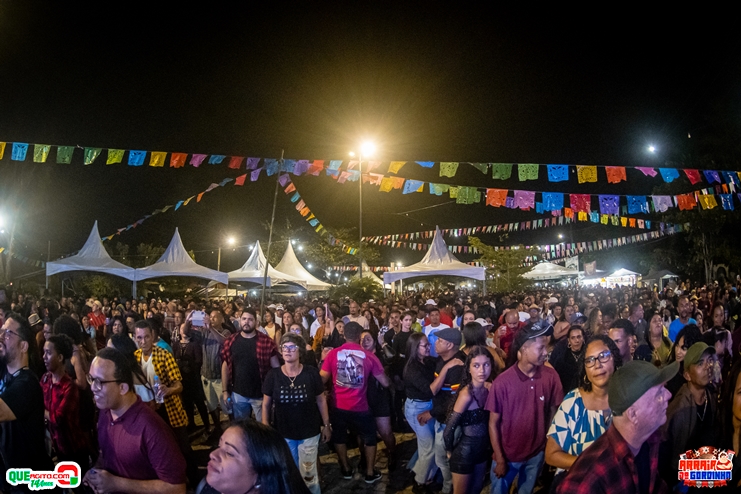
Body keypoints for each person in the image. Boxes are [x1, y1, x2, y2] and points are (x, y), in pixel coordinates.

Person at [556, 359, 678, 493]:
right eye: (659, 394)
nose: (669, 395)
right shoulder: (587, 482)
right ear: (633, 414)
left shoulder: (648, 441)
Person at [83, 348, 186, 494]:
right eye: (91, 379)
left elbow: (177, 488)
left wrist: (116, 484)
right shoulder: (105, 412)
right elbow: (105, 454)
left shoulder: (151, 427)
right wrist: (96, 472)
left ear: (123, 387)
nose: (92, 387)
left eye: (99, 381)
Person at [486, 321, 564, 494]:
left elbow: (553, 412)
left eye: (547, 347)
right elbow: (493, 423)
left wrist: (546, 446)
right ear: (523, 349)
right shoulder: (502, 382)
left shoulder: (550, 376)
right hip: (506, 455)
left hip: (535, 454)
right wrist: (499, 458)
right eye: (541, 348)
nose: (546, 353)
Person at [546, 335, 622, 488]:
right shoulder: (573, 402)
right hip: (577, 484)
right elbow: (551, 454)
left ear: (614, 358)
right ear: (585, 369)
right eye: (590, 360)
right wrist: (593, 467)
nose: (597, 365)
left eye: (603, 356)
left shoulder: (629, 400)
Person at [320, 321, 390, 484]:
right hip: (360, 406)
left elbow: (322, 379)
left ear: (343, 335)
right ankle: (370, 473)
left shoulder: (333, 354)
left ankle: (346, 469)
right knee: (370, 438)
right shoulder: (369, 356)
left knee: (339, 437)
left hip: (338, 406)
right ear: (359, 336)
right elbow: (385, 382)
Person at [262, 333, 330, 494]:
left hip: (309, 432)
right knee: (289, 471)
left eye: (292, 347)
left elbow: (321, 400)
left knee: (308, 473)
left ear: (300, 351)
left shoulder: (311, 373)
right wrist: (265, 427)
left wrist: (327, 425)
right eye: (284, 347)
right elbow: (266, 404)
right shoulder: (274, 375)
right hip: (284, 432)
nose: (287, 350)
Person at [403, 332, 462, 493]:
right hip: (417, 408)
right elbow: (430, 391)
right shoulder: (412, 369)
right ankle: (419, 481)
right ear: (415, 348)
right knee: (428, 448)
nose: (430, 346)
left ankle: (417, 471)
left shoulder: (428, 361)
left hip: (428, 407)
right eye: (425, 345)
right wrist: (448, 367)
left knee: (426, 446)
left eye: (430, 343)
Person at [0, 313, 53, 488]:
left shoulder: (27, 383)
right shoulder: (5, 372)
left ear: (23, 346)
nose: (1, 337)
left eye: (8, 333)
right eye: (1, 331)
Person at [659, 342, 719, 488]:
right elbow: (671, 464)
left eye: (710, 360)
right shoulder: (679, 409)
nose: (708, 367)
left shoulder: (710, 397)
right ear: (687, 375)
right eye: (700, 363)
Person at [200, 420, 311, 494]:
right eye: (219, 445)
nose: (212, 454)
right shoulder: (206, 488)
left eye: (229, 453)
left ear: (259, 479)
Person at [444, 346, 494, 494]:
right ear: (469, 368)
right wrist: (449, 452)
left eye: (486, 364)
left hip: (482, 451)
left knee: (477, 490)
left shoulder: (489, 388)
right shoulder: (466, 394)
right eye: (476, 365)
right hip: (464, 453)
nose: (482, 370)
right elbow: (449, 428)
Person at [41, 334, 91, 473]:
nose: (44, 357)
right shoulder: (45, 379)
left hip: (74, 448)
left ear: (60, 357)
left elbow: (58, 419)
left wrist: (40, 410)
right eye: (44, 352)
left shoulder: (69, 387)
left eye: (49, 353)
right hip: (57, 446)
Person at [222, 308, 280, 422]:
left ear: (256, 322)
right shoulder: (231, 341)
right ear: (240, 320)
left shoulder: (266, 342)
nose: (246, 322)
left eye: (250, 319)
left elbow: (276, 369)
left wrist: (274, 392)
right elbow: (225, 366)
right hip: (238, 394)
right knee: (242, 428)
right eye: (244, 319)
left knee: (263, 428)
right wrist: (225, 391)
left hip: (261, 394)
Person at [360, 330, 397, 468]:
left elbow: (391, 358)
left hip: (380, 398)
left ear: (375, 341)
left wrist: (383, 343)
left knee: (385, 432)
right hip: (363, 400)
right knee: (362, 432)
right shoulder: (358, 357)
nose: (364, 341)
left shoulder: (380, 357)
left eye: (368, 338)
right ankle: (364, 457)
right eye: (361, 339)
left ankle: (393, 452)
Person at [197, 309, 233, 441]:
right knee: (211, 405)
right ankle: (218, 427)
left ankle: (232, 428)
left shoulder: (226, 332)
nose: (211, 319)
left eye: (214, 317)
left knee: (227, 406)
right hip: (206, 375)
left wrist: (210, 327)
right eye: (210, 317)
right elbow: (186, 332)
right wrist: (190, 319)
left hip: (219, 377)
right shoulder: (204, 332)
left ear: (222, 319)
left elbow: (224, 341)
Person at [172, 321, 209, 432]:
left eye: (186, 328)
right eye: (182, 328)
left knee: (199, 403)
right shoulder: (176, 344)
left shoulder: (194, 344)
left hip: (193, 379)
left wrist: (188, 364)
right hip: (182, 379)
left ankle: (207, 425)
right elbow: (174, 359)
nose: (184, 331)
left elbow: (199, 361)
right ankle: (191, 423)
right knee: (187, 404)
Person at [549, 325, 585, 393]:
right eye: (573, 338)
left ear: (583, 338)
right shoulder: (562, 359)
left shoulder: (588, 355)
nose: (576, 340)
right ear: (568, 340)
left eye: (579, 337)